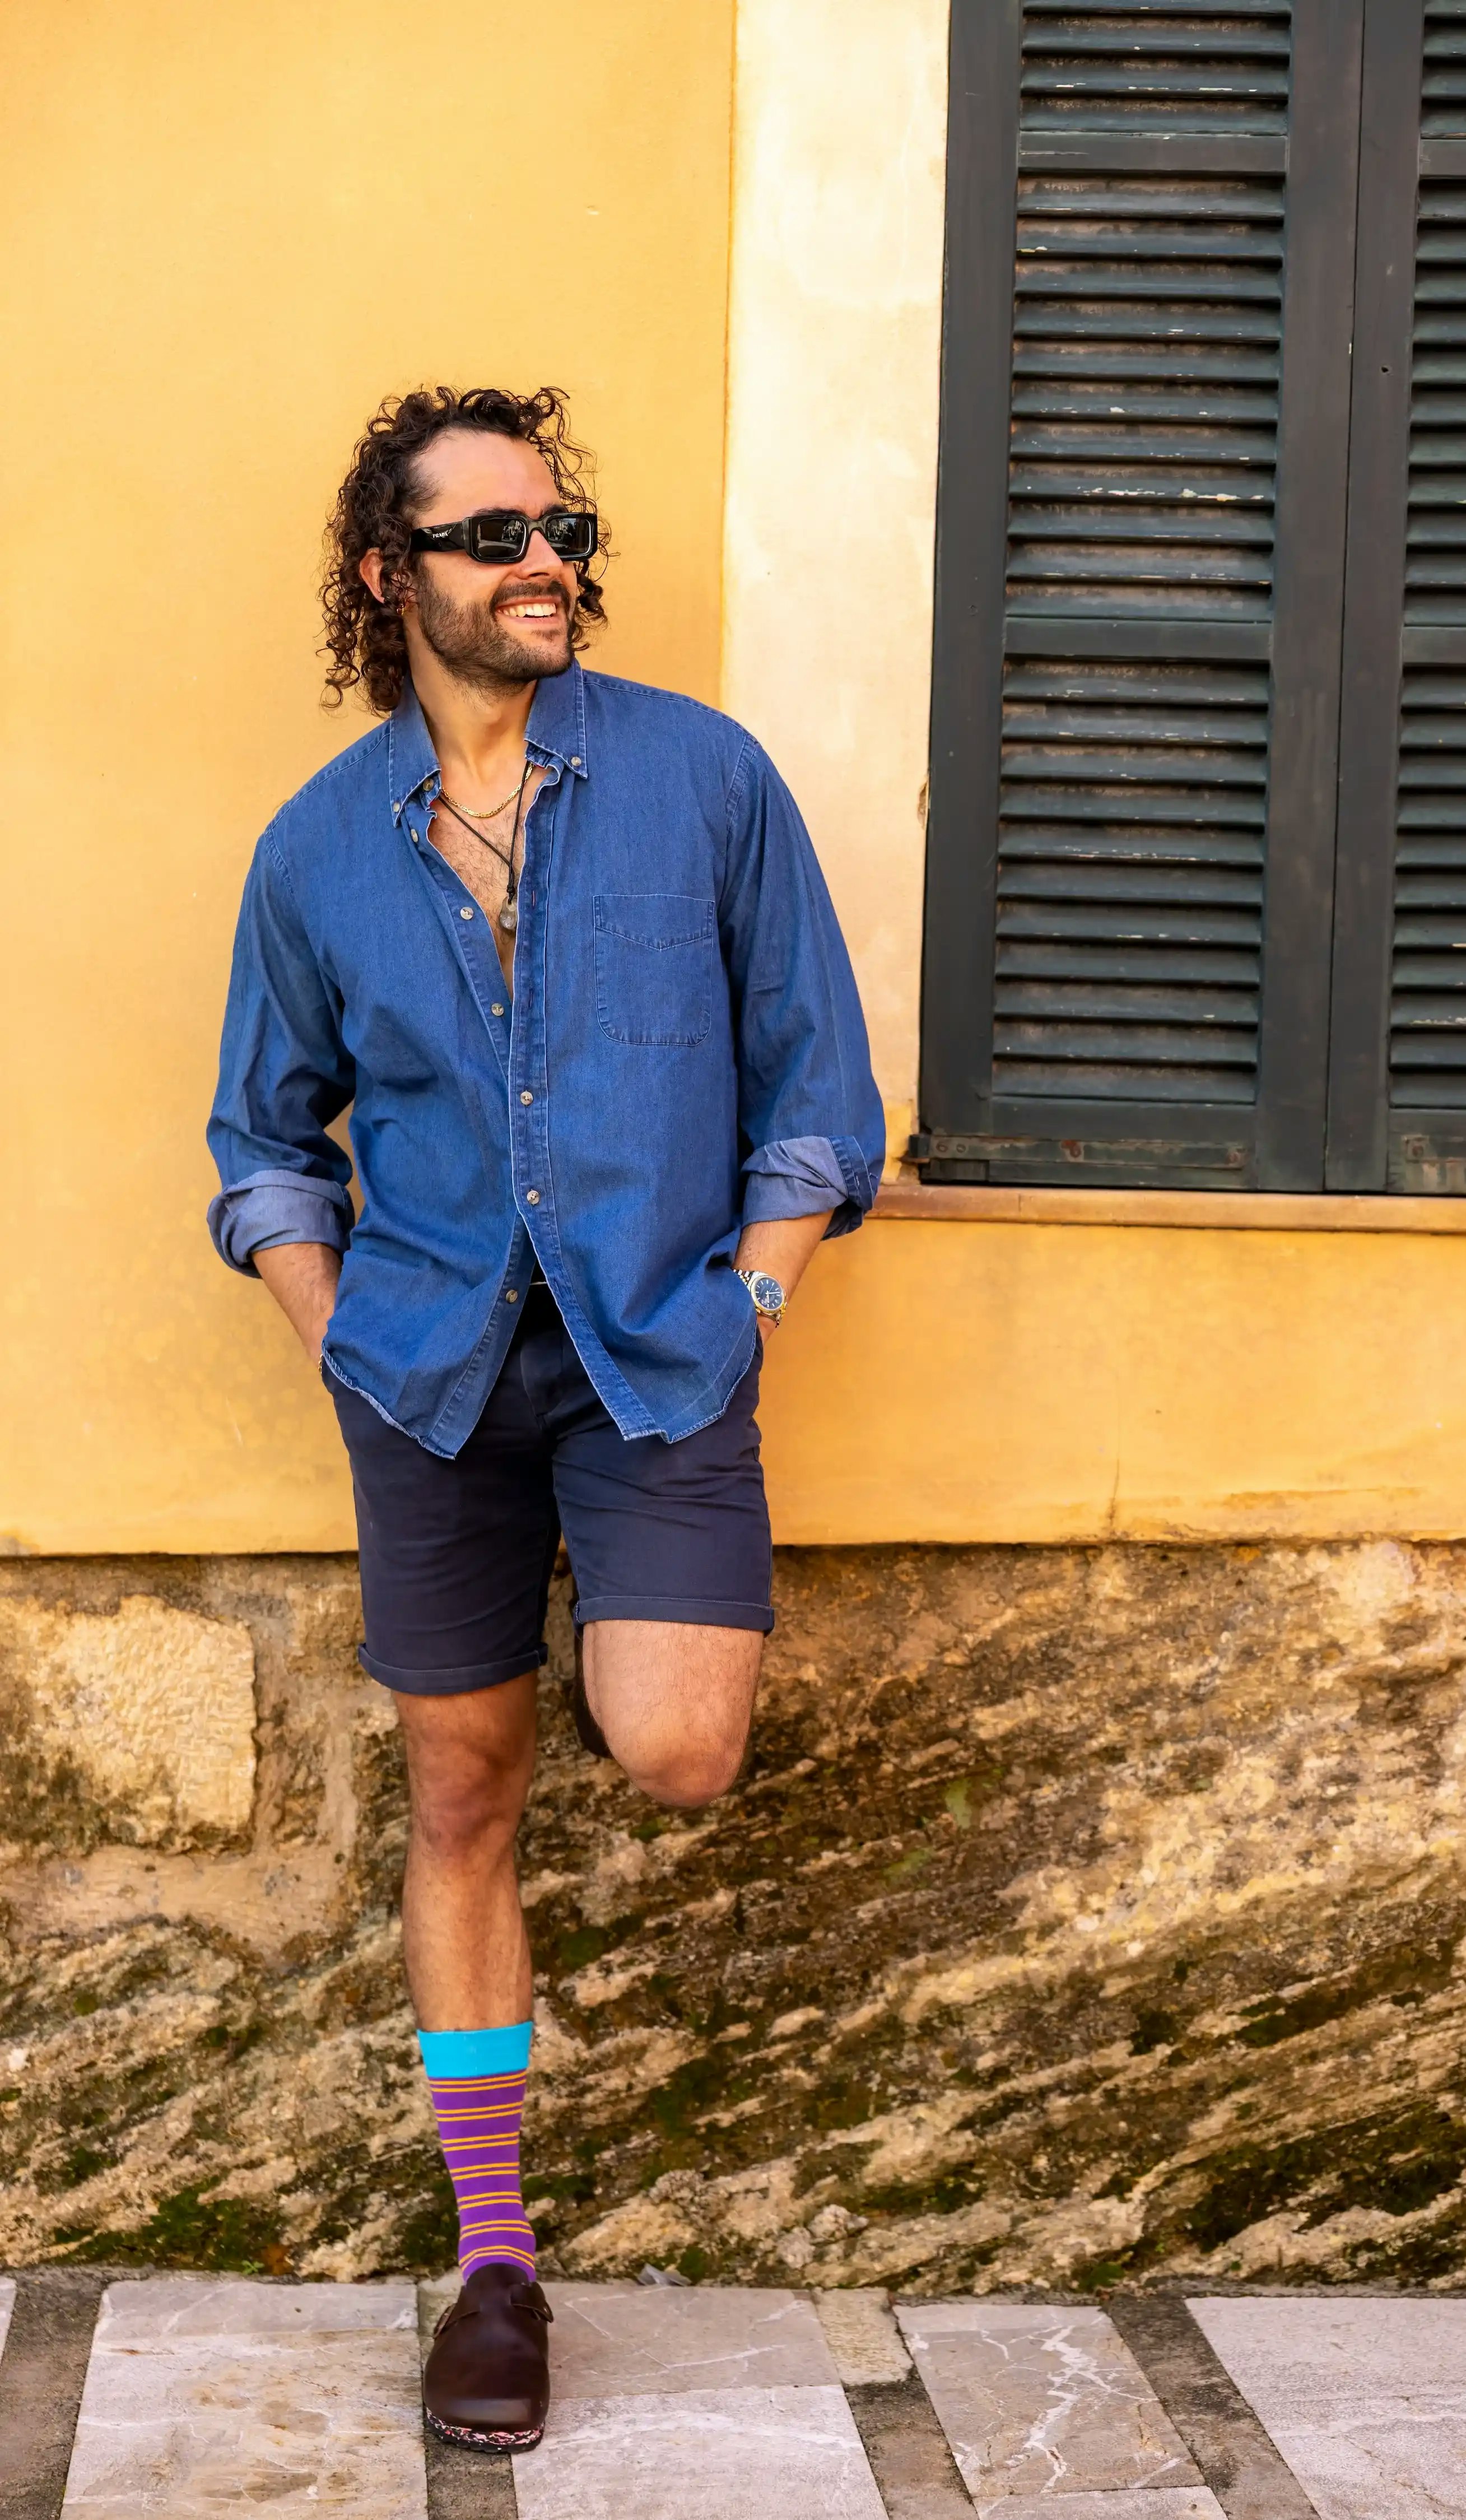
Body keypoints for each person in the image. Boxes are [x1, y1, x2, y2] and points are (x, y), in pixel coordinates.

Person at [207, 385, 883, 2451]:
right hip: (423, 1374)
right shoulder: (320, 846)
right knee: (462, 1800)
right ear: (384, 575)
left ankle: (620, 1598)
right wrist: (331, 1318)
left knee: (676, 1740)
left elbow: (819, 1082)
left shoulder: (702, 780)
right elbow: (261, 1137)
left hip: (662, 1350)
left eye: (560, 523)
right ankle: (497, 2263)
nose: (544, 560)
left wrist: (755, 1291)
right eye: (492, 533)